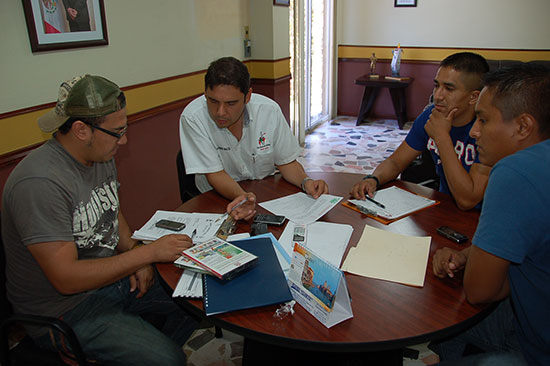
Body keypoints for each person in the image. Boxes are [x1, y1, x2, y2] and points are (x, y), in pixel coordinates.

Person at [2, 75, 197, 365]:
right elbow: (66, 279)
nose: (125, 139)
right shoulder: (39, 182)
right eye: (118, 131)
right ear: (81, 130)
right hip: (63, 308)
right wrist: (146, 253)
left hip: (109, 282)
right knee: (167, 360)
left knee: (197, 302)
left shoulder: (99, 155)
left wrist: (135, 254)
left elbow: (111, 211)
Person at [431, 63, 550, 365]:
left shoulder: (514, 172)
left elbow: (479, 291)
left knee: (447, 306)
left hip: (535, 347)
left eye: (483, 119)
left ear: (523, 126)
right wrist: (472, 254)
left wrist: (479, 262)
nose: (474, 130)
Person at [180, 56, 328, 220]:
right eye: (213, 101)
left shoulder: (269, 111)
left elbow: (286, 162)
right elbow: (215, 174)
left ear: (248, 96)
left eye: (231, 103)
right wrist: (244, 198)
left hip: (264, 194)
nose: (220, 112)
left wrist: (305, 182)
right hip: (215, 198)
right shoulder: (193, 117)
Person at [350, 52, 491, 210]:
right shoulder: (430, 116)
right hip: (444, 204)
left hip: (479, 217)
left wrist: (442, 137)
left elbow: (467, 201)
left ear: (473, 97)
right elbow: (396, 162)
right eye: (437, 85)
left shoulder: (486, 131)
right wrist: (373, 179)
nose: (437, 96)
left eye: (449, 89)